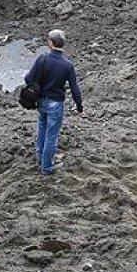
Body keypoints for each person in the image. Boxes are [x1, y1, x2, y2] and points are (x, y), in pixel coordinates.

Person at [23, 29, 84, 176]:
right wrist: (80, 107)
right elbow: (74, 88)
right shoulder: (68, 65)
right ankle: (47, 167)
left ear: (50, 43)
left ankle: (40, 157)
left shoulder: (42, 59)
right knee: (52, 135)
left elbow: (28, 79)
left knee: (42, 127)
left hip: (41, 102)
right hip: (56, 104)